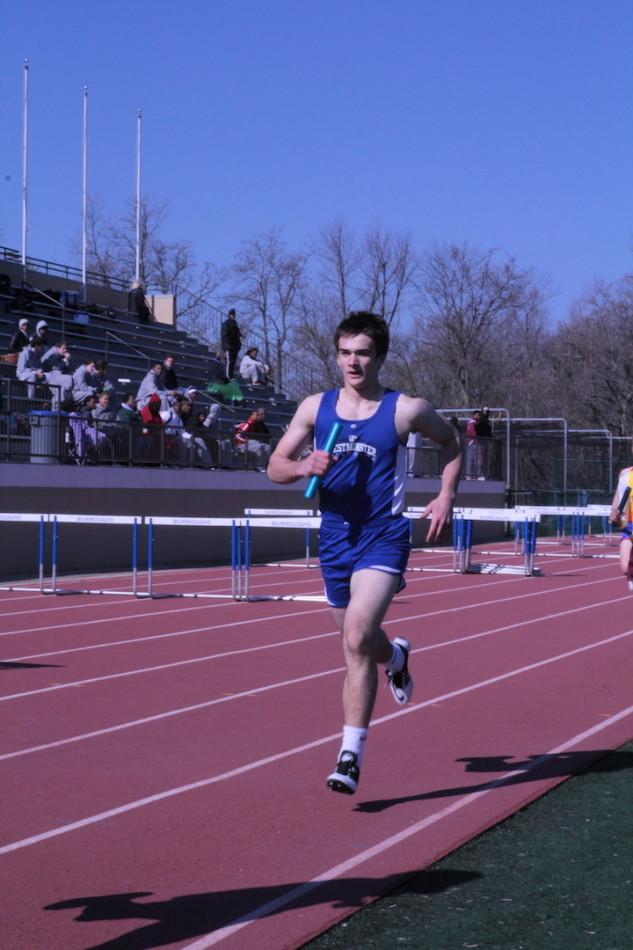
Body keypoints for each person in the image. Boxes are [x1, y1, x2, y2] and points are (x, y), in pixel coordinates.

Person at [267, 311, 461, 795]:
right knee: (363, 641)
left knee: (354, 636)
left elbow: (453, 441)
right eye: (345, 353)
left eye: (363, 353)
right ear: (336, 356)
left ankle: (350, 754)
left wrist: (445, 495)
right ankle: (395, 656)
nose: (353, 362)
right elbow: (274, 466)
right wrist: (301, 466)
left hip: (383, 535)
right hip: (334, 538)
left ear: (379, 357)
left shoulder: (404, 410)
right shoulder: (316, 408)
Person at [609, 461, 633, 590]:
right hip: (630, 525)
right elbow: (618, 502)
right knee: (625, 567)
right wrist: (614, 514)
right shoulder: (626, 475)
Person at [221, 308, 243, 380]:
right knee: (229, 361)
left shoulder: (234, 323)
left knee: (233, 361)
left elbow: (237, 332)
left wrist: (241, 335)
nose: (233, 316)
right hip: (229, 346)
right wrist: (227, 345)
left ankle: (231, 375)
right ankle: (228, 376)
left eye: (234, 314)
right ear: (229, 315)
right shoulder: (226, 323)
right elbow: (225, 335)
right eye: (232, 314)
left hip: (235, 346)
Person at [476, 407, 493, 479]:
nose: (486, 412)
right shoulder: (481, 420)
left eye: (487, 411)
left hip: (486, 441)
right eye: (485, 411)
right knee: (481, 458)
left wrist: (490, 437)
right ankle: (479, 474)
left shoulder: (487, 421)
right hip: (481, 441)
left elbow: (488, 431)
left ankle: (484, 473)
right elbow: (478, 430)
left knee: (485, 458)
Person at [464, 411, 480, 478]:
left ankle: (470, 475)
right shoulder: (472, 423)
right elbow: (474, 434)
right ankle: (472, 475)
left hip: (471, 444)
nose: (478, 417)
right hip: (473, 444)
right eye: (477, 415)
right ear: (474, 415)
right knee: (474, 460)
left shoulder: (471, 423)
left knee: (472, 460)